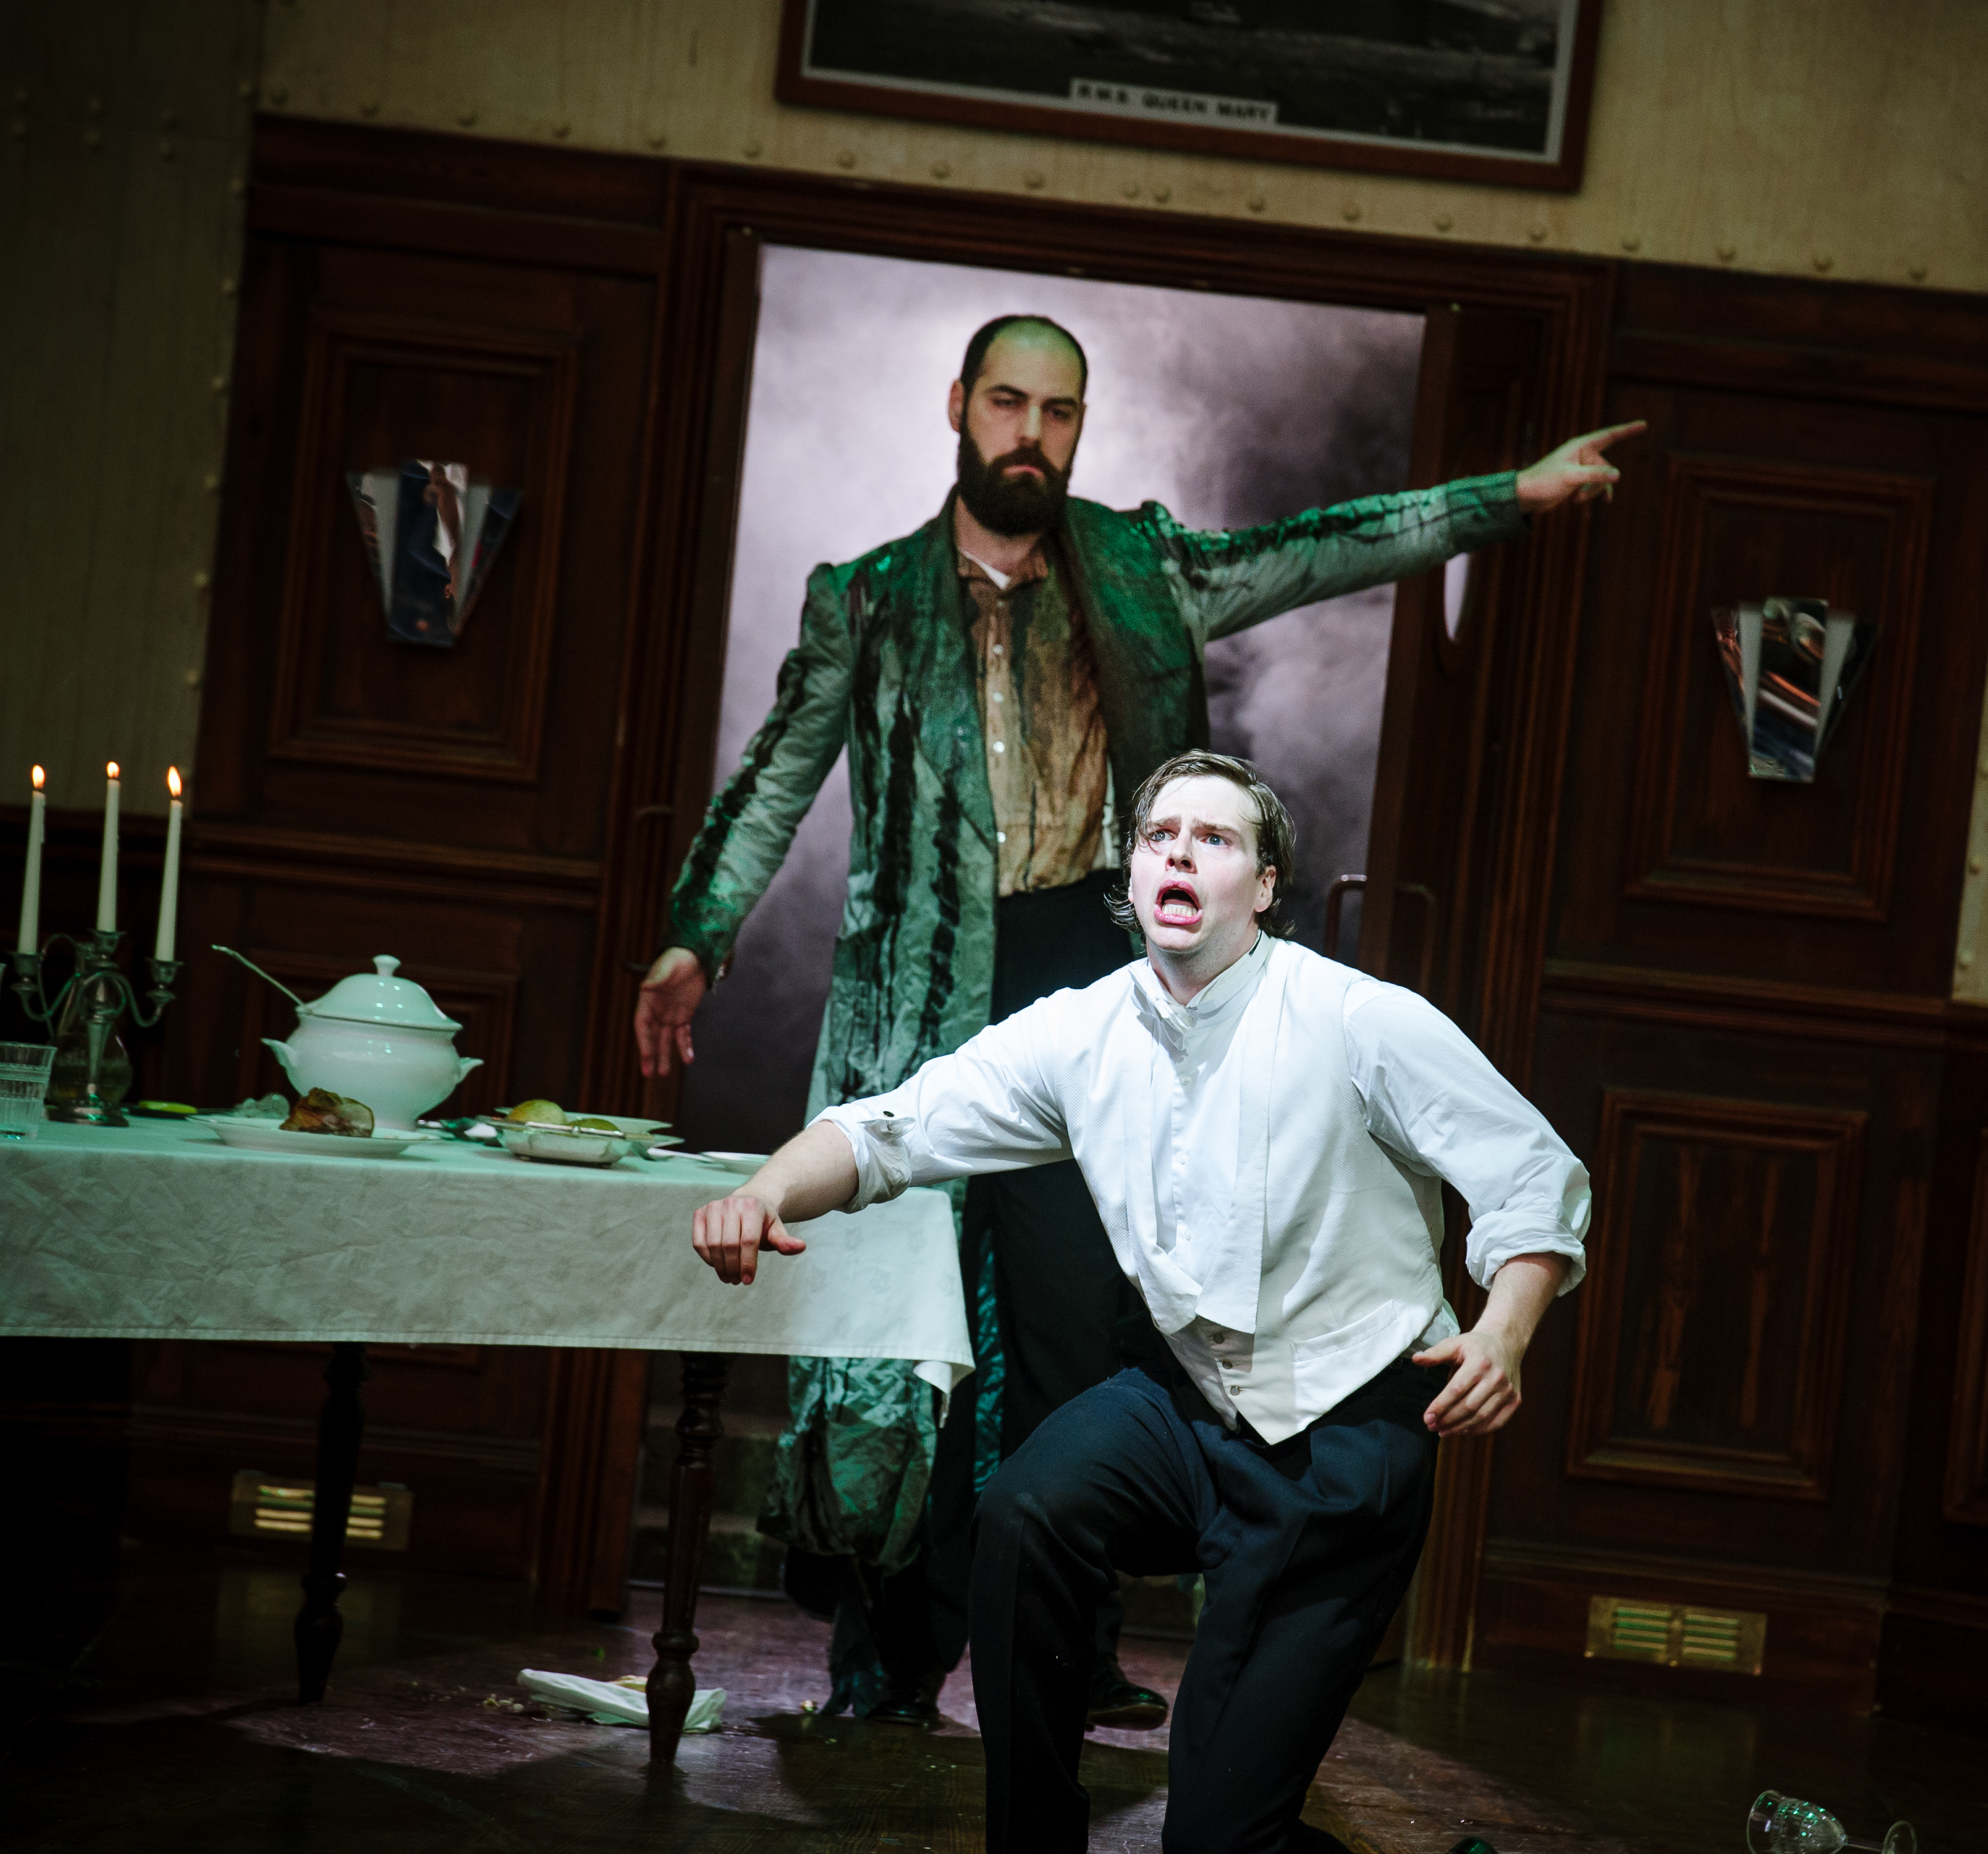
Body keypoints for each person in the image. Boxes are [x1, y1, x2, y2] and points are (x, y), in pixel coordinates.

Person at [639, 308, 1635, 1726]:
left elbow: (1319, 547)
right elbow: (777, 774)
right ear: (959, 406)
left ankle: (1066, 1639)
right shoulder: (865, 597)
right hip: (918, 989)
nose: (1031, 435)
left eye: (1059, 412)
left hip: (1087, 968)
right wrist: (698, 932)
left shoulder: (1140, 569)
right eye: (1008, 403)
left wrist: (1506, 499)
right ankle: (886, 1658)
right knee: (888, 1339)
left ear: (1079, 429)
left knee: (1078, 1328)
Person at [690, 751, 1590, 1854]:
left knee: (1221, 1844)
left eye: (1216, 840)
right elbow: (897, 1126)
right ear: (1131, 873)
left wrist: (1504, 1329)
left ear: (1264, 886)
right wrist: (764, 1191)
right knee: (1028, 1511)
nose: (1181, 855)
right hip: (1190, 1405)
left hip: (1346, 1430)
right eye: (1161, 835)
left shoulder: (1358, 1019)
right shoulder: (1084, 1031)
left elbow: (1530, 1171)